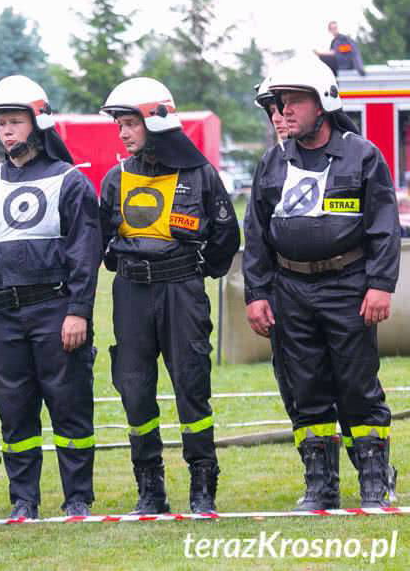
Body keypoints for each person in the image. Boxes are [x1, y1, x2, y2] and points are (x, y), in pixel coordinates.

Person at [244, 56, 399, 510]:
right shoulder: (272, 162)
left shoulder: (363, 156)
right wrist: (257, 294)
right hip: (290, 291)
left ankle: (374, 477)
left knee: (356, 386)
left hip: (349, 287)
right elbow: (256, 234)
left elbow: (384, 226)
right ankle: (319, 483)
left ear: (323, 102)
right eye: (276, 104)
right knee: (304, 387)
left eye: (292, 102)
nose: (281, 112)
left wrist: (380, 284)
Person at [0, 75, 101, 519]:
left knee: (69, 404)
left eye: (15, 121)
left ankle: (77, 497)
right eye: (1, 123)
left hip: (56, 311)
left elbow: (85, 252)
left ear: (38, 124)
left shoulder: (70, 182)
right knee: (14, 411)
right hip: (1, 314)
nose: (6, 131)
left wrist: (78, 312)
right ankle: (24, 500)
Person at [99, 77, 240, 514]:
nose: (122, 133)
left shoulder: (200, 175)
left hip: (182, 292)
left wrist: (189, 271)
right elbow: (100, 240)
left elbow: (225, 239)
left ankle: (202, 484)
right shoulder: (114, 178)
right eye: (119, 124)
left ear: (157, 120)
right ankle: (150, 487)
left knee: (192, 389)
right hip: (131, 294)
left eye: (130, 123)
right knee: (135, 390)